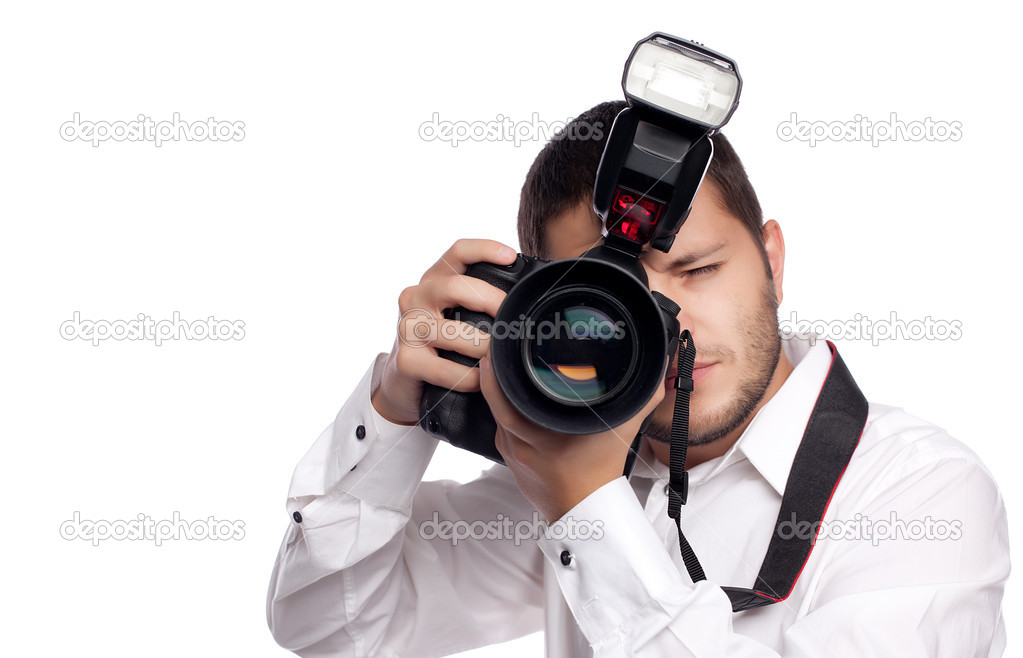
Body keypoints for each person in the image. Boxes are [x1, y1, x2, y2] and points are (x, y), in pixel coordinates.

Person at [266, 101, 1009, 657]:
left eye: (698, 269)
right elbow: (329, 626)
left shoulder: (923, 492)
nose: (671, 325)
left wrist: (585, 506)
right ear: (547, 309)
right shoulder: (576, 467)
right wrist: (395, 411)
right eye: (618, 301)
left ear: (772, 260)